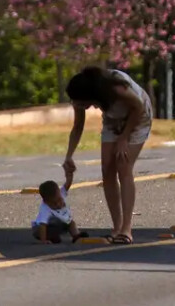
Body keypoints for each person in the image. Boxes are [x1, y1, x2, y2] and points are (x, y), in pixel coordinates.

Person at [62, 66, 153, 245]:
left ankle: (126, 229)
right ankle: (116, 227)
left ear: (90, 95)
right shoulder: (84, 93)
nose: (77, 105)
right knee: (107, 169)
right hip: (113, 120)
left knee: (123, 165)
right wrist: (69, 156)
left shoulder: (115, 87)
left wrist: (124, 138)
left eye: (79, 102)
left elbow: (138, 107)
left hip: (138, 117)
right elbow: (78, 126)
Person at [32, 178, 87, 244]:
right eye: (54, 203)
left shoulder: (61, 193)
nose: (58, 204)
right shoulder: (45, 209)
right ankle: (50, 237)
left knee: (70, 222)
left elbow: (68, 184)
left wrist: (69, 174)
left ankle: (76, 235)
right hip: (39, 229)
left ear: (60, 193)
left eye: (59, 200)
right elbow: (42, 225)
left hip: (55, 225)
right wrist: (43, 241)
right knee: (56, 221)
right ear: (46, 202)